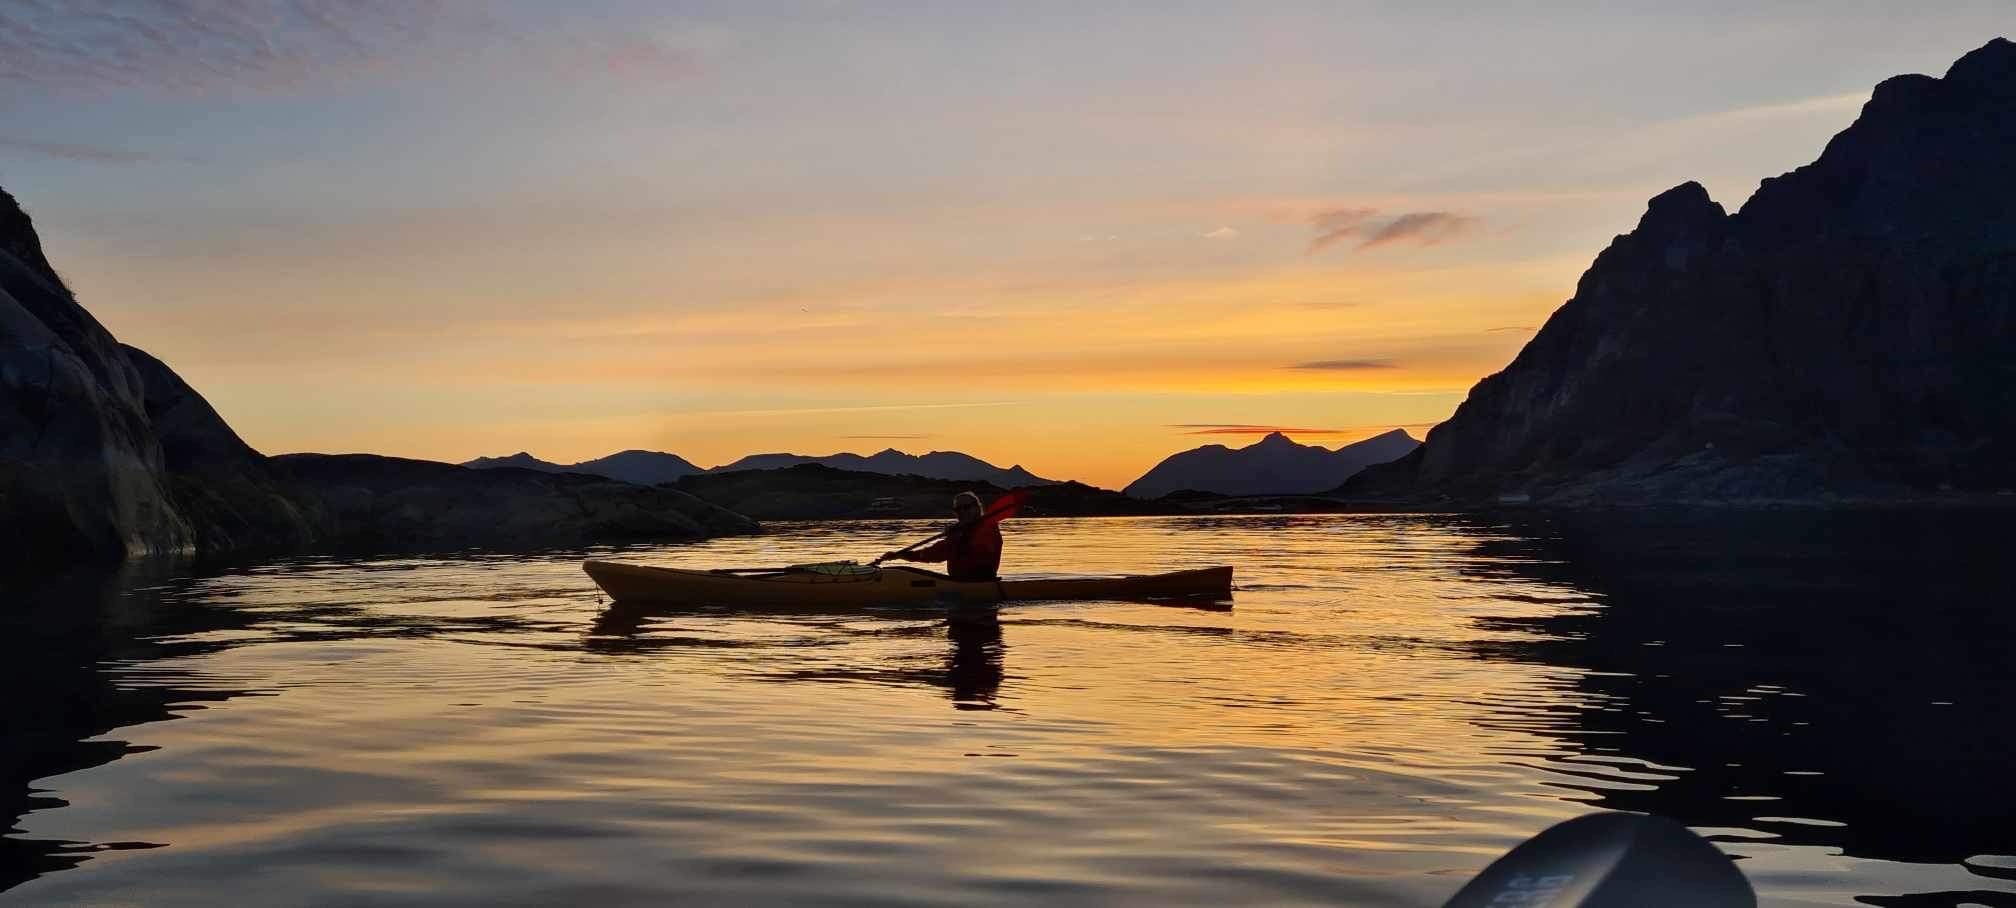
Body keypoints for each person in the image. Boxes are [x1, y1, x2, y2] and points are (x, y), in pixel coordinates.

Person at [882, 491, 1003, 581]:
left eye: (966, 508)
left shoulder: (989, 528)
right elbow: (934, 554)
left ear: (977, 508)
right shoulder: (958, 532)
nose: (962, 512)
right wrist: (901, 555)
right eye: (958, 509)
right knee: (901, 570)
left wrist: (958, 537)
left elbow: (982, 550)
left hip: (981, 582)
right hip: (958, 582)